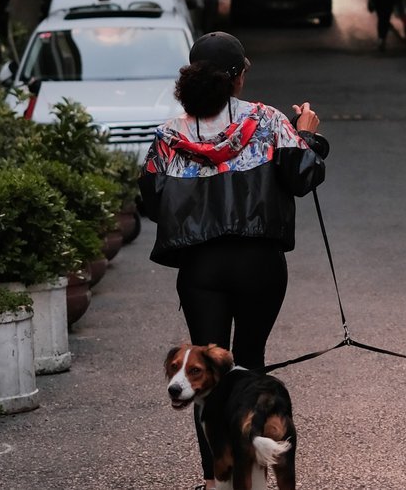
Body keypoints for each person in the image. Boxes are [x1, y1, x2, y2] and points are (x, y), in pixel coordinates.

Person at [137, 31, 328, 490]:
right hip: (260, 264)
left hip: (201, 270)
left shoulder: (169, 136)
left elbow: (149, 202)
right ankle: (254, 471)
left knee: (204, 371)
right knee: (250, 363)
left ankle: (214, 479)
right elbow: (302, 177)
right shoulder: (266, 120)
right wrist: (307, 136)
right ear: (238, 78)